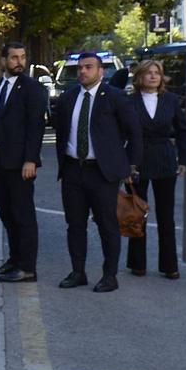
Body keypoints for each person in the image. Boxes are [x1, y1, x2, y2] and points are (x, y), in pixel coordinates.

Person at [50, 51, 141, 292]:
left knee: (106, 225)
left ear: (100, 71)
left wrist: (128, 165)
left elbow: (134, 133)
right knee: (75, 224)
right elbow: (61, 132)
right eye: (80, 68)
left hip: (102, 172)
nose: (82, 71)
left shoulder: (115, 97)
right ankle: (78, 271)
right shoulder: (68, 97)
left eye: (88, 67)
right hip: (73, 170)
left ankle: (109, 275)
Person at [0, 42, 49, 283]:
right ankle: (14, 259)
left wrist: (31, 159)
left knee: (23, 215)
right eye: (14, 57)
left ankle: (27, 267)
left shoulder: (32, 88)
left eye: (22, 57)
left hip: (21, 163)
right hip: (0, 161)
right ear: (3, 61)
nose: (19, 61)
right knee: (7, 213)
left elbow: (35, 126)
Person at [125, 59, 186, 281]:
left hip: (164, 159)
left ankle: (169, 265)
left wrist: (184, 159)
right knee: (136, 213)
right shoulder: (128, 101)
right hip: (136, 160)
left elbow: (183, 131)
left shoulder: (171, 100)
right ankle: (137, 263)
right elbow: (119, 132)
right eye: (148, 73)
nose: (153, 76)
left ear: (162, 77)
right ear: (139, 77)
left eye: (157, 73)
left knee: (166, 215)